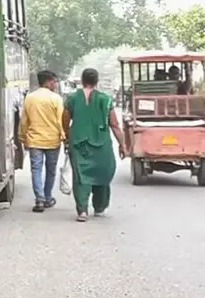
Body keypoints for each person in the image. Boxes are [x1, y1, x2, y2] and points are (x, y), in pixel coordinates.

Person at [62, 68, 127, 222]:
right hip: (101, 143)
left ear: (82, 80)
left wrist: (67, 136)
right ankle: (99, 207)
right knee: (102, 173)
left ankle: (82, 211)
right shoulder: (105, 99)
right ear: (96, 81)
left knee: (81, 176)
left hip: (78, 143)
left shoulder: (72, 98)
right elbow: (115, 125)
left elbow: (64, 120)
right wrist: (122, 144)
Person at [19, 70, 65, 213]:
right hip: (52, 140)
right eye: (54, 82)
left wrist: (22, 137)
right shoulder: (56, 99)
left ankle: (39, 199)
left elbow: (24, 121)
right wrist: (64, 136)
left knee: (36, 170)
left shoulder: (30, 98)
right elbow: (60, 120)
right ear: (48, 82)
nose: (55, 85)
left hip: (34, 140)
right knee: (51, 171)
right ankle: (47, 196)